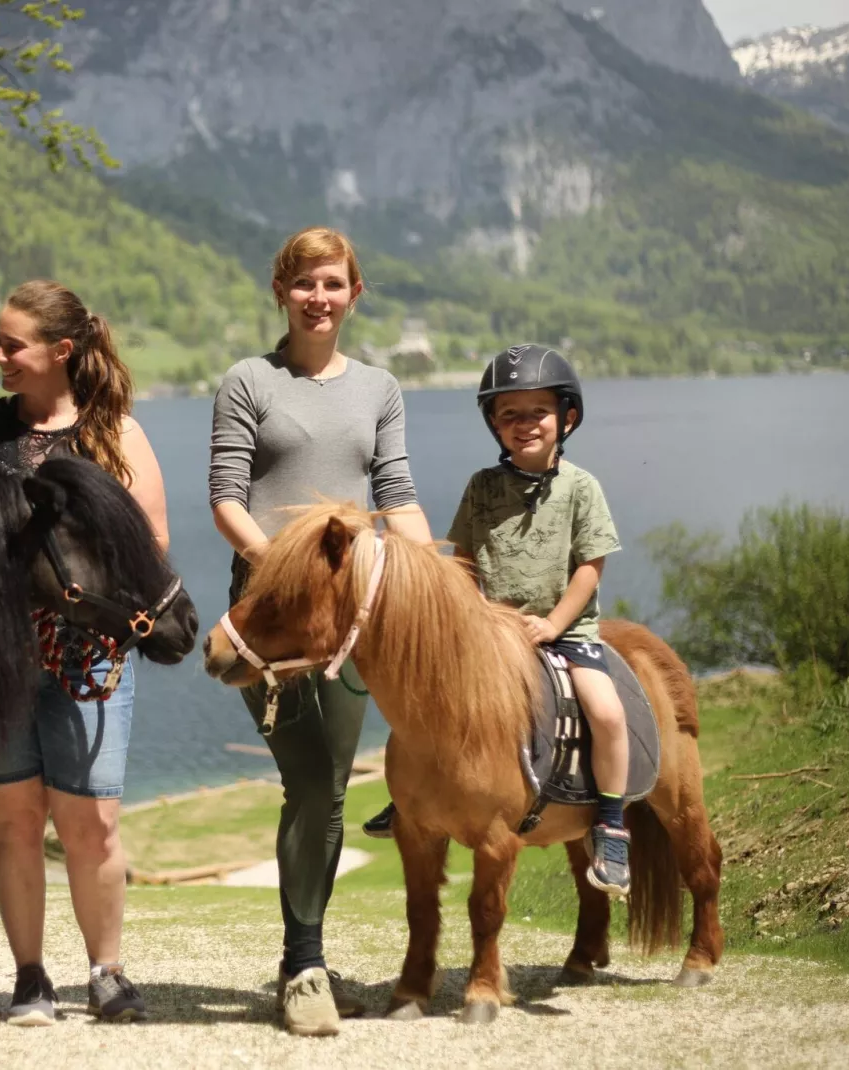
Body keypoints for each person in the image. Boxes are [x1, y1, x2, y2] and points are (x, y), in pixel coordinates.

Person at [0, 280, 169, 1026]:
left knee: (92, 824)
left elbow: (151, 546)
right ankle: (31, 980)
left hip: (91, 661)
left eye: (12, 344)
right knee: (14, 820)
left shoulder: (113, 432)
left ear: (62, 351)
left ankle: (107, 974)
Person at [209, 226, 433, 1037]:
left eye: (333, 283)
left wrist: (442, 579)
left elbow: (397, 494)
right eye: (304, 283)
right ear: (282, 291)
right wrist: (285, 570)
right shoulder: (248, 381)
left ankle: (306, 952)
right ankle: (304, 964)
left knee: (332, 792)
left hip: (351, 622)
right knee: (306, 782)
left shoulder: (378, 387)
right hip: (271, 615)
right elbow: (227, 498)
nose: (319, 296)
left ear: (354, 293)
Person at [366, 344, 630, 895]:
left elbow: (590, 568)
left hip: (565, 632)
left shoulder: (581, 488)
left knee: (605, 712)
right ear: (494, 425)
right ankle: (412, 796)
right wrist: (464, 615)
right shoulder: (483, 486)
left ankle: (609, 822)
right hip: (491, 635)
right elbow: (461, 556)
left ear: (567, 417)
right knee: (428, 699)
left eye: (538, 411)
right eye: (509, 414)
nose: (524, 424)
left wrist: (554, 624)